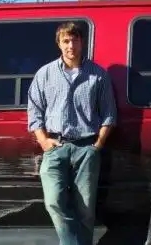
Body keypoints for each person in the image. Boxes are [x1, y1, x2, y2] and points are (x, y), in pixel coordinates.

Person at [27, 22, 117, 245]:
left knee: (85, 208)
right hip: (55, 148)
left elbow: (109, 114)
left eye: (74, 40)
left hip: (86, 148)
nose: (70, 45)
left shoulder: (98, 75)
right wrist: (43, 141)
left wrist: (97, 146)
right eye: (65, 41)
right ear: (59, 44)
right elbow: (34, 110)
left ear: (81, 42)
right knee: (54, 201)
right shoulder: (45, 74)